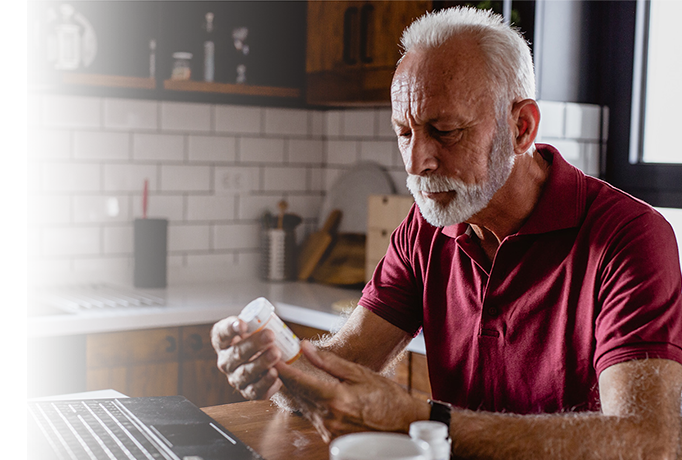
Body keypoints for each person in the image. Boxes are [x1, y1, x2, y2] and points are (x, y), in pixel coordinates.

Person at [211, 6, 682, 459]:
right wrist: (279, 362)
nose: (417, 163)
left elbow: (646, 444)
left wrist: (421, 420)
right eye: (404, 132)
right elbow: (345, 366)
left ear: (522, 128)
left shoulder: (630, 237)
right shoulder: (426, 226)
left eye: (445, 130)